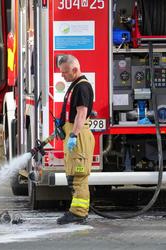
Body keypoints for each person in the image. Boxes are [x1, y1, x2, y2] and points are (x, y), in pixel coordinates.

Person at [56, 54, 95, 225]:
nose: (62, 75)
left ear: (74, 69)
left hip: (78, 137)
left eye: (64, 72)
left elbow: (81, 113)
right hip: (73, 133)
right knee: (73, 175)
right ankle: (77, 211)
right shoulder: (75, 85)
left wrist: (73, 135)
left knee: (78, 175)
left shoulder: (82, 87)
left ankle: (79, 213)